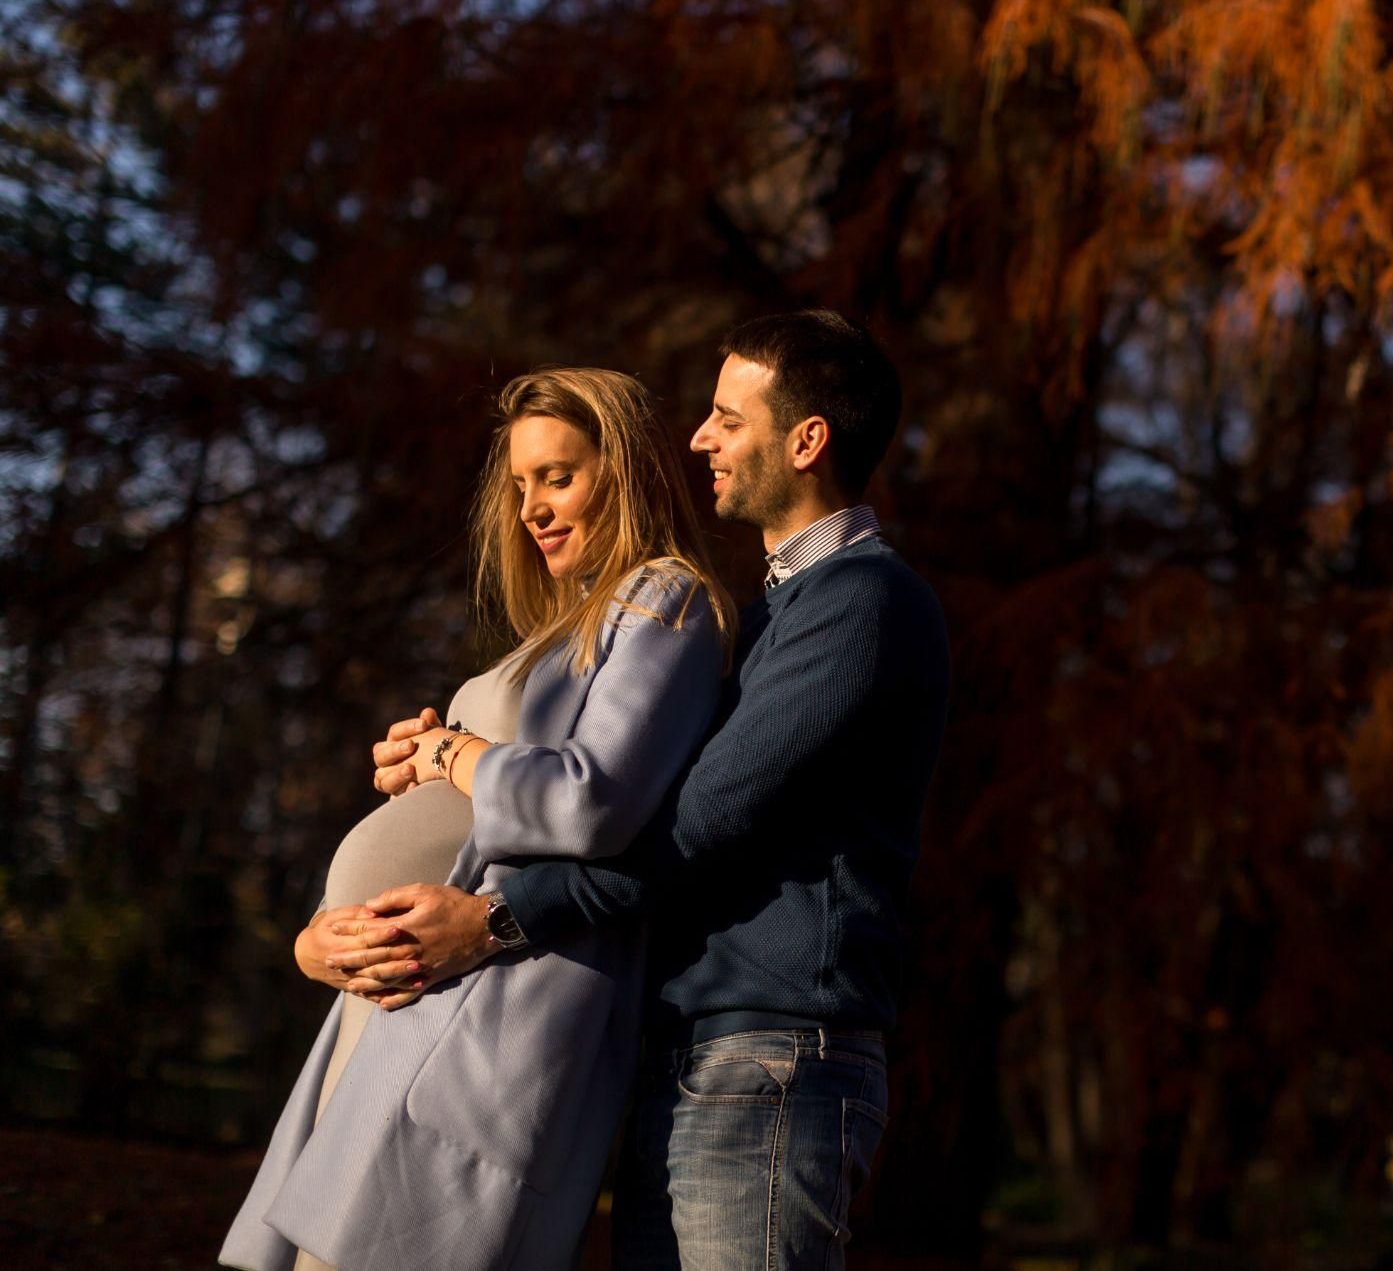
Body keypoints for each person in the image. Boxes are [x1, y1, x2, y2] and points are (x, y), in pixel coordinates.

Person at [334, 310, 951, 1270]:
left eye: (726, 418)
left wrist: (496, 919)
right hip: (702, 1053)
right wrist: (443, 761)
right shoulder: (773, 615)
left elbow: (693, 826)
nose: (700, 437)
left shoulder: (863, 603)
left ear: (806, 440)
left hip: (773, 1059)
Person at [221, 367, 737, 1271]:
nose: (533, 507)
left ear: (624, 472)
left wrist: (447, 755)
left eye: (559, 476)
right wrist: (327, 933)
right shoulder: (565, 630)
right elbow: (481, 811)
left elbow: (590, 797)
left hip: (489, 1025)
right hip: (398, 1014)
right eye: (520, 484)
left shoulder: (665, 600)